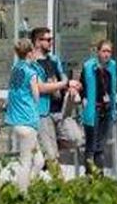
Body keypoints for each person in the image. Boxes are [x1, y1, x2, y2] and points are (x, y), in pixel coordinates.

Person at [28, 26, 81, 168]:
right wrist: (64, 83)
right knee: (51, 157)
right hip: (43, 112)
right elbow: (40, 88)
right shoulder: (31, 63)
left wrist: (70, 86)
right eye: (48, 40)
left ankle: (46, 147)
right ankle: (57, 184)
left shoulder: (54, 59)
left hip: (60, 110)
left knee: (76, 138)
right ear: (38, 42)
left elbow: (62, 76)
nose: (51, 42)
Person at [3, 38, 44, 191]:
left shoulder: (15, 69)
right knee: (25, 161)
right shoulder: (31, 73)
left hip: (16, 120)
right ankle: (22, 194)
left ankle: (29, 185)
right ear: (29, 53)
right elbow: (36, 95)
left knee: (39, 161)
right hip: (28, 121)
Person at [81, 40, 117, 171]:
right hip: (93, 110)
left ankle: (100, 178)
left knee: (101, 147)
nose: (107, 54)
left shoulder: (113, 66)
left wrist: (114, 108)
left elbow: (113, 89)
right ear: (98, 52)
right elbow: (82, 87)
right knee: (91, 147)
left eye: (109, 51)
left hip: (106, 110)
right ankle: (90, 177)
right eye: (104, 51)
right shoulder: (89, 66)